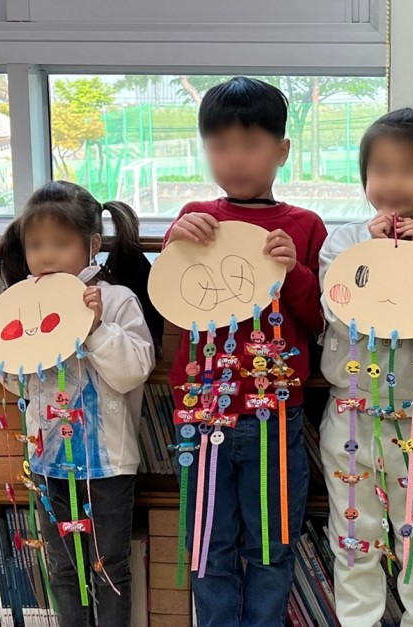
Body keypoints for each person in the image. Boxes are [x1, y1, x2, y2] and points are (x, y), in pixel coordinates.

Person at [164, 77, 326, 627]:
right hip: (202, 414)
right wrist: (177, 241)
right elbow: (174, 303)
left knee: (271, 544)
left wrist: (294, 271)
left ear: (282, 150)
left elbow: (320, 319)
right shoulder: (195, 217)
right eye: (220, 145)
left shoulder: (304, 226)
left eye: (251, 144)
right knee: (208, 546)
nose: (234, 159)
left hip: (273, 417)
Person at [0, 180, 155, 627]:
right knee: (63, 569)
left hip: (107, 466)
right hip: (48, 460)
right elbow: (23, 387)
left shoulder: (116, 300)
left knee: (109, 568)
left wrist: (95, 328)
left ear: (93, 245)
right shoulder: (23, 305)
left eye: (61, 243)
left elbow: (133, 371)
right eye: (36, 245)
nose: (47, 256)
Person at [318, 108, 413, 626]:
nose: (393, 182)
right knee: (354, 536)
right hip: (352, 417)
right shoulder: (344, 244)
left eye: (409, 170)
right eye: (381, 169)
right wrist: (374, 251)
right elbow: (337, 313)